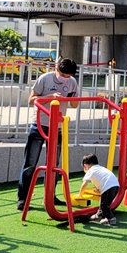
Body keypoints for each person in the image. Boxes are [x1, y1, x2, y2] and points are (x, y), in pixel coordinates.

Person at [17, 57, 79, 211]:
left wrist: (72, 96)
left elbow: (74, 104)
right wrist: (49, 98)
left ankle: (49, 197)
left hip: (57, 127)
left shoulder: (72, 82)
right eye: (63, 75)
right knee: (30, 164)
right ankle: (22, 199)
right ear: (56, 69)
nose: (65, 79)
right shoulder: (44, 79)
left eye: (68, 76)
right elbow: (32, 100)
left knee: (54, 165)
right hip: (39, 125)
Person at [79, 153, 120, 226]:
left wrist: (80, 194)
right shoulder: (100, 168)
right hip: (115, 185)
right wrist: (98, 189)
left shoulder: (91, 170)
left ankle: (111, 219)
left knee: (104, 205)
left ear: (85, 165)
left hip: (108, 186)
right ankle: (98, 215)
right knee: (103, 202)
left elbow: (84, 184)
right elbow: (101, 179)